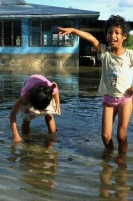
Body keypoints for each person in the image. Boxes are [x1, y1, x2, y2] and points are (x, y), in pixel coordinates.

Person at [58, 15, 133, 154]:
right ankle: (109, 155)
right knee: (105, 136)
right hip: (109, 99)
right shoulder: (105, 52)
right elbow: (91, 38)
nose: (113, 36)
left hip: (125, 99)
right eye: (110, 32)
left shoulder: (130, 55)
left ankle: (121, 162)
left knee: (121, 135)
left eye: (117, 33)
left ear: (124, 37)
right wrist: (74, 30)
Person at [10, 74, 61, 142]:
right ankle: (26, 139)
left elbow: (55, 85)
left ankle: (53, 136)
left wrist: (57, 104)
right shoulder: (25, 95)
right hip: (30, 90)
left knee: (49, 114)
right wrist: (15, 135)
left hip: (43, 92)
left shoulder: (49, 88)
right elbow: (12, 114)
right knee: (26, 119)